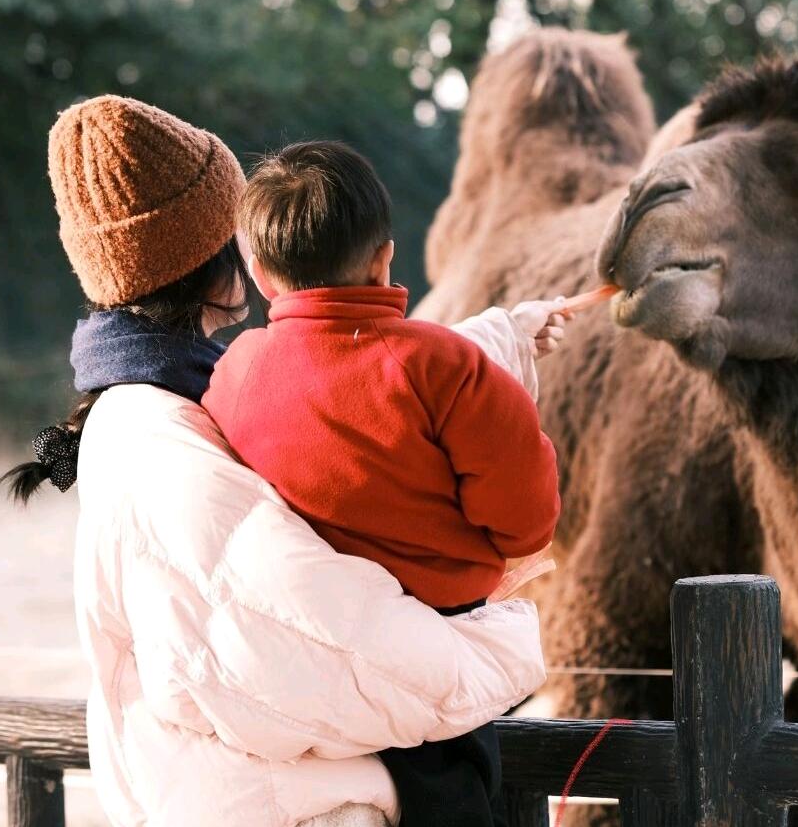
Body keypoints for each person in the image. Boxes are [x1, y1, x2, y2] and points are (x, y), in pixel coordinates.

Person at [4, 94, 562, 827]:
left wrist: (496, 339)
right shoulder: (160, 436)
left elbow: (353, 383)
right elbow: (329, 644)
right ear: (214, 260)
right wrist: (501, 647)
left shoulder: (208, 386)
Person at [202, 140, 563, 827]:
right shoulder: (449, 367)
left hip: (298, 672)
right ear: (384, 257)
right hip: (432, 668)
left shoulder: (234, 372)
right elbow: (527, 522)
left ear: (257, 272)